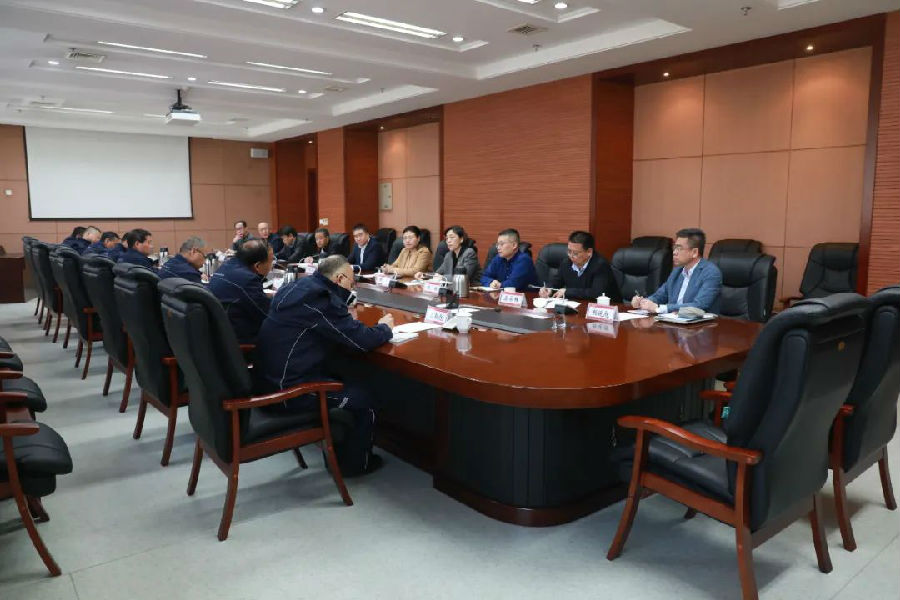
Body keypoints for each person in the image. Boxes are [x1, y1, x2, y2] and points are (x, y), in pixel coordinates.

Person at [254, 255, 394, 476]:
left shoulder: (296, 287)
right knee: (364, 399)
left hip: (265, 380)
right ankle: (356, 466)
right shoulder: (321, 299)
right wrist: (384, 328)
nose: (352, 288)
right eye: (351, 283)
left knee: (345, 376)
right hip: (289, 391)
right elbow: (361, 340)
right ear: (339, 278)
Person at [632, 228, 722, 314]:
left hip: (700, 324)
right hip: (672, 322)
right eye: (675, 248)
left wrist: (660, 308)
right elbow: (660, 296)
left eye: (679, 248)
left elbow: (699, 306)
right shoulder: (677, 271)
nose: (674, 252)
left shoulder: (711, 273)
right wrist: (644, 302)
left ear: (694, 252)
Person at [208, 239, 273, 344]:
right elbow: (267, 314)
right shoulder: (248, 280)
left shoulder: (226, 266)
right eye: (271, 261)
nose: (272, 265)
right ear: (257, 266)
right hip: (239, 342)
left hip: (219, 335)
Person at [539, 231, 620, 302]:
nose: (571, 256)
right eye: (569, 251)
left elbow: (596, 293)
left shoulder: (601, 265)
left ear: (589, 252)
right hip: (575, 306)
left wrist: (567, 292)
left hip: (607, 308)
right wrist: (548, 289)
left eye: (575, 253)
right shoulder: (566, 263)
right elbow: (555, 283)